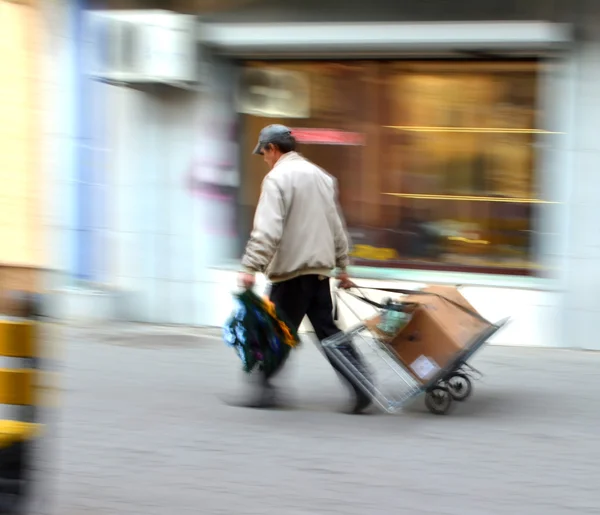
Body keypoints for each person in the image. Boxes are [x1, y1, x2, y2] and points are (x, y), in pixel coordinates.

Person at [238, 124, 372, 414]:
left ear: (273, 148)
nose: (264, 158)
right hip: (318, 271)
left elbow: (267, 230)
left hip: (291, 271)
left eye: (263, 152)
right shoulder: (321, 176)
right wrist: (342, 266)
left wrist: (250, 265)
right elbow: (336, 225)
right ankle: (361, 384)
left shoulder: (277, 178)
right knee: (327, 331)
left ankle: (264, 388)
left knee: (276, 331)